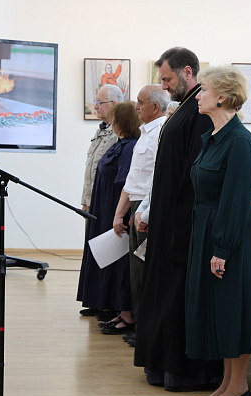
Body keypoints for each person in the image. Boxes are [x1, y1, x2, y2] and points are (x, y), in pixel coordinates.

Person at [133, 47, 220, 391]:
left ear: (188, 72)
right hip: (168, 217)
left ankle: (181, 371)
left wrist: (173, 220)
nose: (164, 86)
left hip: (182, 224)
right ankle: (159, 365)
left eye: (168, 79)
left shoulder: (200, 109)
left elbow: (192, 174)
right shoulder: (185, 107)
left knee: (175, 300)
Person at [184, 66, 251, 396]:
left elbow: (236, 200)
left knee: (231, 309)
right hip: (209, 230)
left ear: (222, 98)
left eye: (203, 90)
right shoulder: (213, 136)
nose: (197, 96)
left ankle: (239, 387)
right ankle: (227, 384)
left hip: (230, 238)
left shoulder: (241, 141)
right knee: (217, 307)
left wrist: (222, 248)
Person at [112, 86, 169, 346]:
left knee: (145, 272)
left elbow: (157, 180)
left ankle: (147, 330)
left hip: (146, 209)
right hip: (136, 206)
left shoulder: (161, 134)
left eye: (140, 102)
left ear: (154, 107)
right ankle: (140, 325)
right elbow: (134, 179)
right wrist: (120, 212)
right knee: (136, 272)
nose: (135, 107)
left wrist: (145, 211)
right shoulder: (146, 133)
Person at [77, 102, 140, 335]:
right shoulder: (120, 144)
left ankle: (125, 314)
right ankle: (113, 309)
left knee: (119, 263)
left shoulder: (130, 147)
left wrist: (119, 214)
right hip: (104, 209)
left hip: (116, 210)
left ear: (122, 121)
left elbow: (126, 183)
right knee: (106, 259)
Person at [79, 83, 123, 317]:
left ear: (114, 104)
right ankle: (95, 300)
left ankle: (109, 304)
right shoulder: (102, 129)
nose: (94, 106)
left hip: (109, 201)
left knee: (108, 252)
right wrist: (86, 200)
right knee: (93, 250)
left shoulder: (119, 133)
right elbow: (91, 170)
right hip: (94, 201)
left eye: (100, 102)